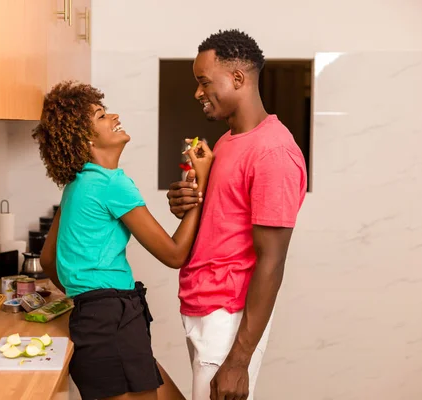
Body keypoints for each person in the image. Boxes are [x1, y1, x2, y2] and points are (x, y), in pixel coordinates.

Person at [33, 81, 213, 400]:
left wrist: (85, 293)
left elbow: (48, 259)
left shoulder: (77, 184)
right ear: (86, 137)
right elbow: (174, 254)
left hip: (101, 320)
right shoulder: (112, 184)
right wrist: (202, 186)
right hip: (112, 319)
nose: (114, 115)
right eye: (102, 115)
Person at [166, 29, 308, 400]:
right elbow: (221, 221)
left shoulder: (274, 152)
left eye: (203, 82)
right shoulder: (228, 142)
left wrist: (238, 360)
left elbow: (272, 261)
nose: (197, 92)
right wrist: (189, 198)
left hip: (227, 318)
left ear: (238, 78)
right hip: (201, 304)